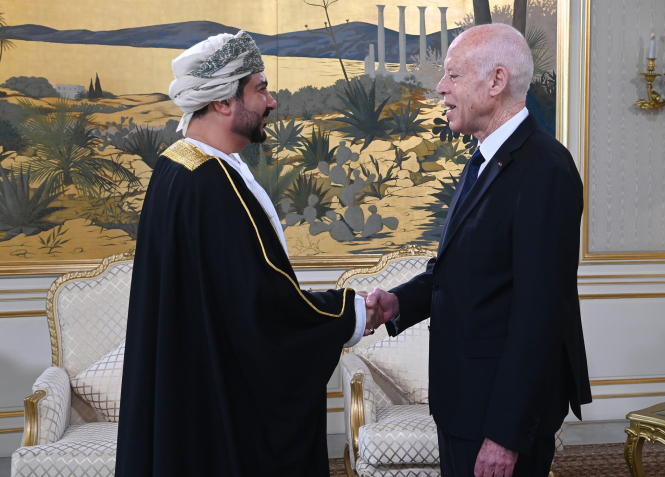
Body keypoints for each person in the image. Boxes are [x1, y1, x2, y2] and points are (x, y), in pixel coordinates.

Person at [116, 31, 379, 477]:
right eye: (261, 89)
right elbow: (263, 307)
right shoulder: (211, 184)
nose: (271, 102)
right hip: (216, 410)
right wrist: (350, 312)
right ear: (223, 100)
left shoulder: (176, 164)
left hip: (190, 393)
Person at [366, 24, 591, 477]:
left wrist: (506, 435)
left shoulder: (544, 170)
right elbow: (462, 270)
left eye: (453, 75)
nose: (440, 87)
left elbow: (540, 314)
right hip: (464, 403)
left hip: (497, 417)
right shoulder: (484, 159)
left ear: (496, 81)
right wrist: (398, 302)